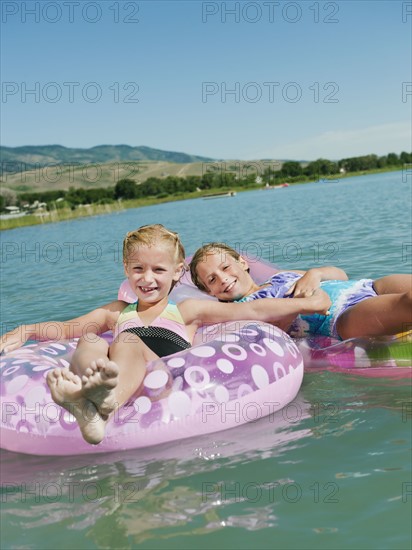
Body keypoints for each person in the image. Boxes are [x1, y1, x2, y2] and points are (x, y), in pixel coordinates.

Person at [0, 225, 331, 446]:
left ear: (176, 273)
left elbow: (254, 312)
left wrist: (310, 302)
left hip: (160, 368)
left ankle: (104, 404)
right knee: (89, 339)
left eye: (158, 270)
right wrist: (25, 330)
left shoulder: (187, 311)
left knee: (126, 341)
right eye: (137, 269)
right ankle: (89, 394)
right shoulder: (116, 311)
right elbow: (65, 328)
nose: (147, 278)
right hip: (112, 364)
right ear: (126, 270)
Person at [190, 242, 412, 341]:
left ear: (242, 262)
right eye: (212, 279)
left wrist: (315, 273)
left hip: (366, 286)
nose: (223, 278)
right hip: (343, 316)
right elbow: (275, 331)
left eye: (225, 267)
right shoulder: (240, 311)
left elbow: (341, 274)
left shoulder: (280, 276)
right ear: (210, 292)